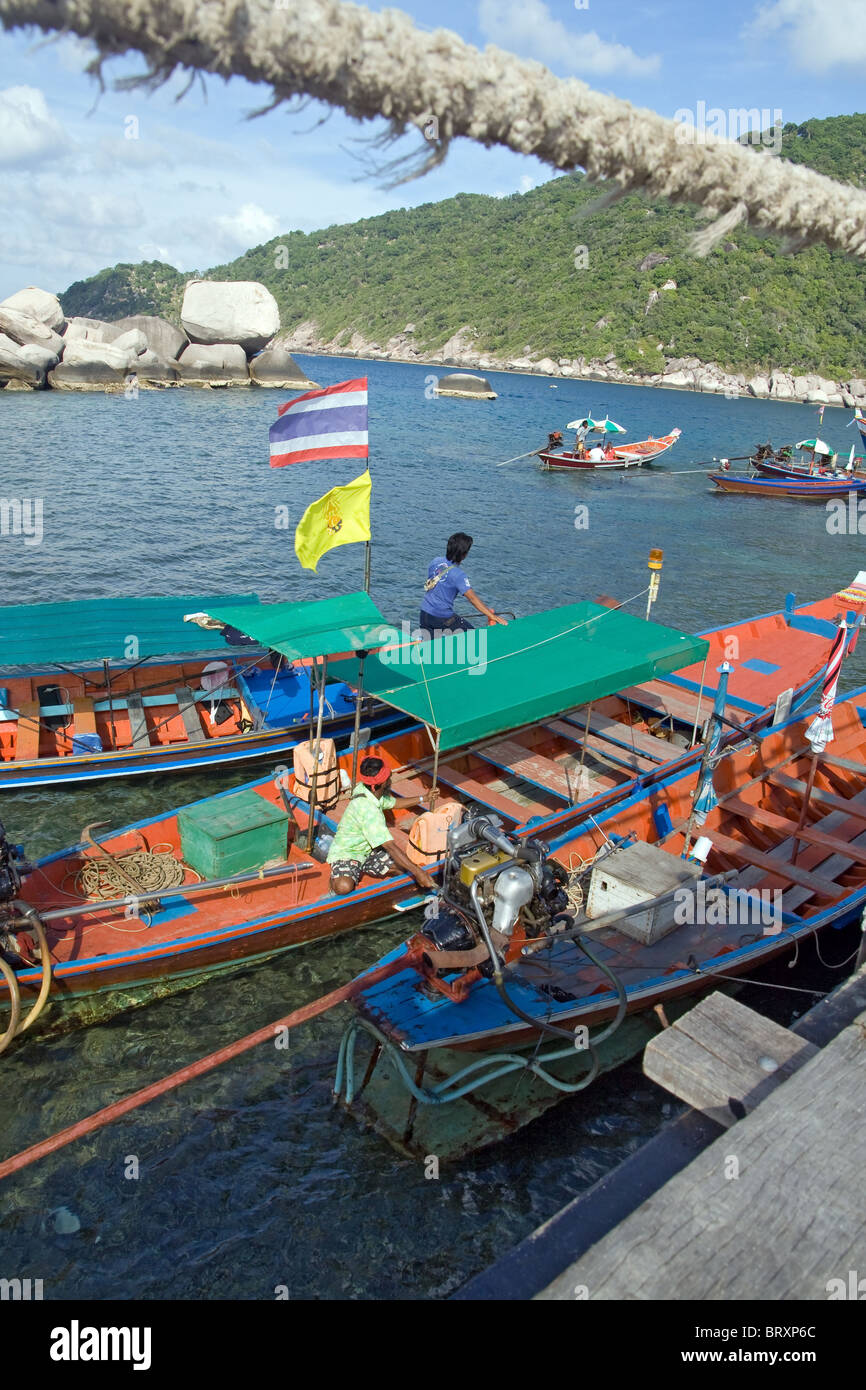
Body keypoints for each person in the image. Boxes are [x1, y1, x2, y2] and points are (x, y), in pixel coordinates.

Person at [328, 756, 437, 896]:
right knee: (343, 887)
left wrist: (424, 798)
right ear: (384, 782)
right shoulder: (368, 810)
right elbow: (390, 846)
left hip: (368, 849)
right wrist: (418, 872)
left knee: (402, 869)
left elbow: (393, 803)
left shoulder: (367, 789)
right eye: (389, 777)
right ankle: (334, 879)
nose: (390, 779)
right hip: (348, 852)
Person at [419, 532, 508, 637]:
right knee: (473, 637)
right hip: (442, 617)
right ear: (464, 554)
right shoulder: (459, 575)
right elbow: (472, 599)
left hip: (424, 614)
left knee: (432, 645)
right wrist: (492, 616)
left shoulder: (435, 561)